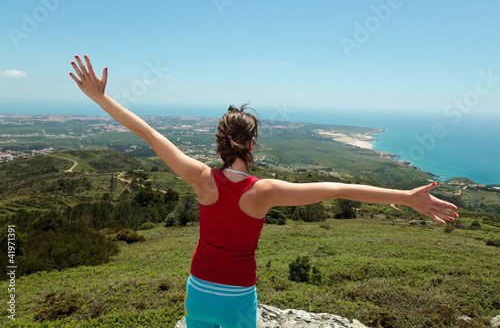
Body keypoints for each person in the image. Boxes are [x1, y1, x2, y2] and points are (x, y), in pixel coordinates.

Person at [70, 55, 458, 328]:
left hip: (199, 289)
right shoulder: (265, 192)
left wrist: (101, 98)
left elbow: (149, 134)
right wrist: (405, 197)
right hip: (238, 296)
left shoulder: (202, 178)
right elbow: (339, 189)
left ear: (221, 142)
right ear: (251, 145)